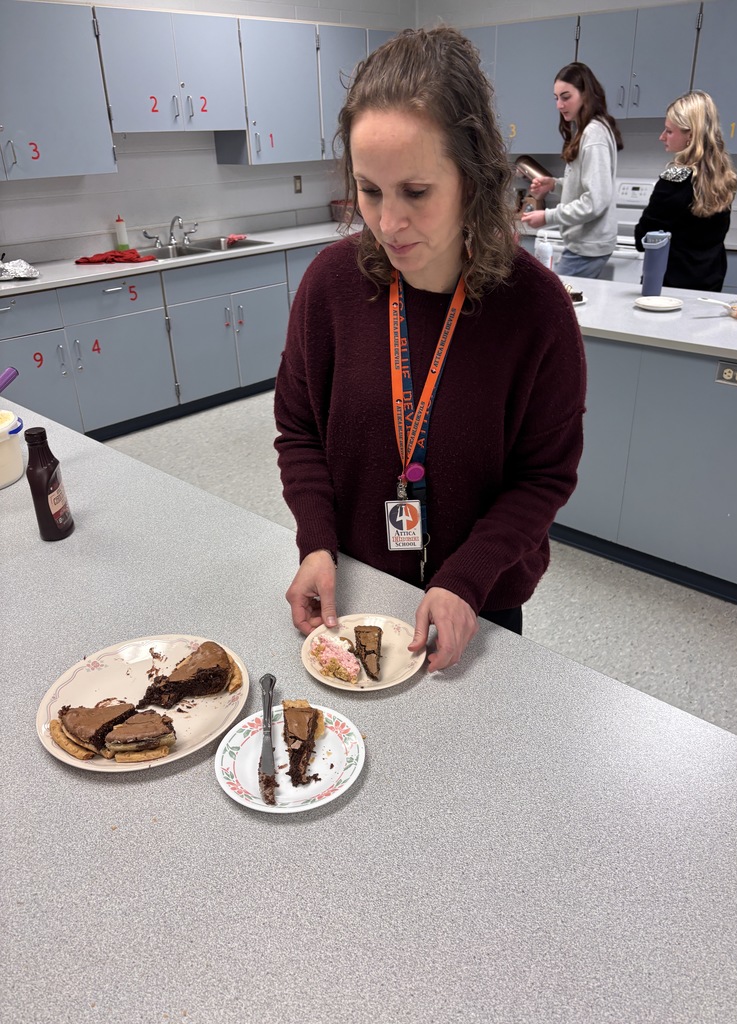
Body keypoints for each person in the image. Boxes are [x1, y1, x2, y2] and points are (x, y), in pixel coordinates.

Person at [273, 27, 586, 672]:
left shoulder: (537, 310)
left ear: (471, 177)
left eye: (415, 192)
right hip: (355, 589)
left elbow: (545, 476)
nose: (388, 223)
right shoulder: (331, 286)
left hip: (478, 604)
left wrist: (466, 577)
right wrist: (316, 544)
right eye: (369, 190)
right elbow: (298, 429)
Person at [520, 62, 623, 280]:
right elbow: (586, 186)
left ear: (586, 95)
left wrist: (547, 216)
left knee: (557, 305)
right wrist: (555, 185)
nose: (559, 105)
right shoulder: (590, 130)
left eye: (566, 97)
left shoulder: (593, 134)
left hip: (586, 248)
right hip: (584, 245)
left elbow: (595, 201)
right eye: (556, 98)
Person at [634, 91, 737, 292]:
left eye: (669, 131)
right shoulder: (724, 178)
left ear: (690, 135)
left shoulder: (674, 177)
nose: (662, 137)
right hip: (710, 284)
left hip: (670, 288)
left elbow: (642, 239)